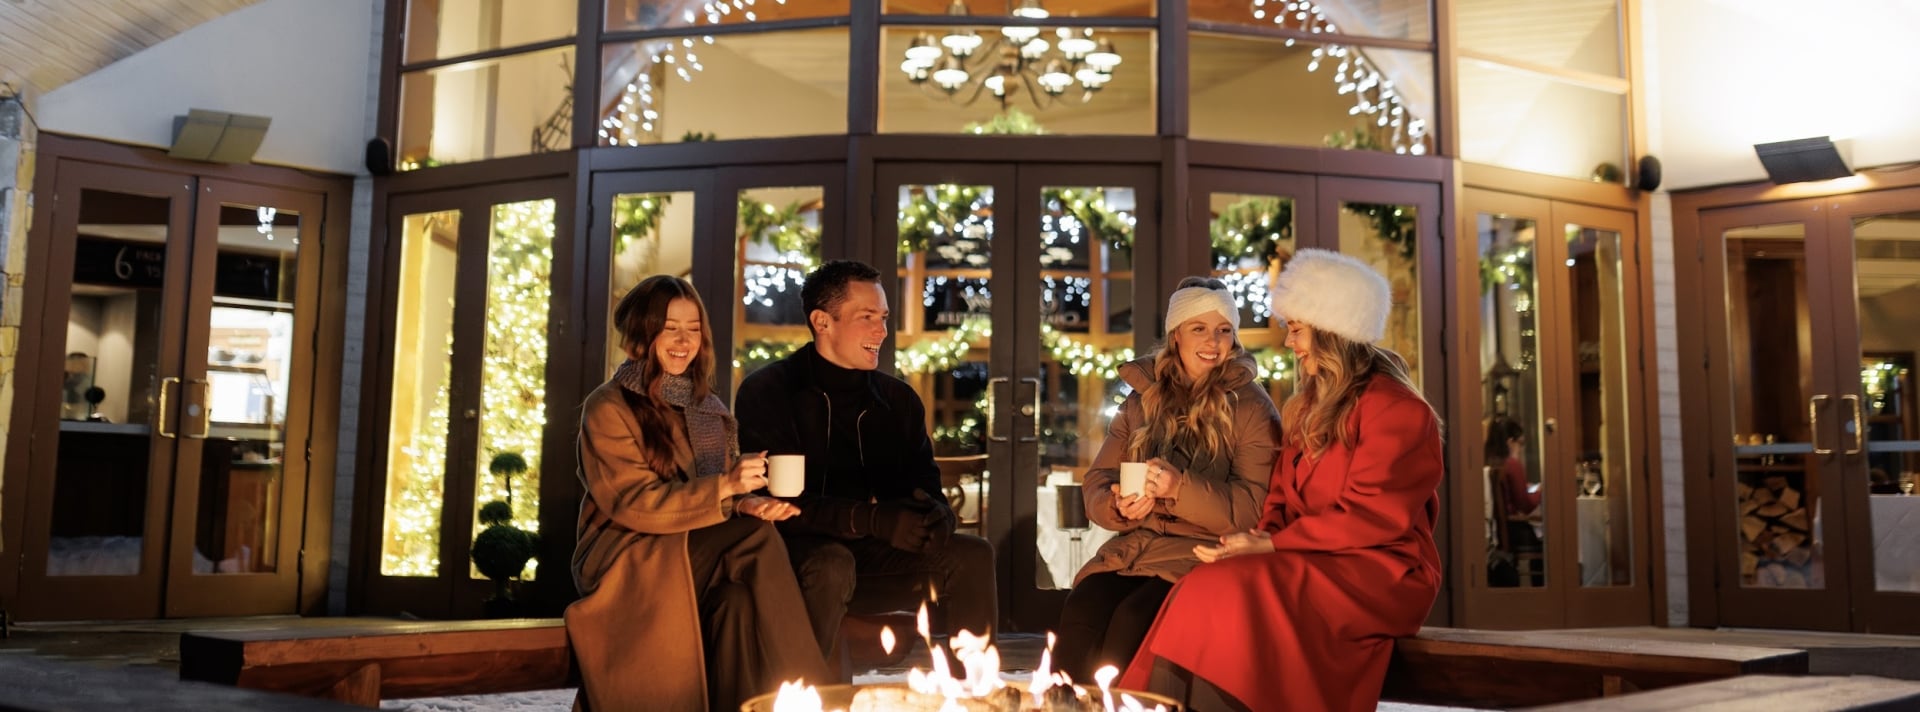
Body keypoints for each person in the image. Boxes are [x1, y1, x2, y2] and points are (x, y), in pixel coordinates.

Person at [1120, 249, 1445, 712]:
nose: (1289, 342)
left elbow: (1373, 517)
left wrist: (1273, 545)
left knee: (1235, 591)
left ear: (1332, 331)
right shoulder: (1307, 408)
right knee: (1204, 583)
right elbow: (1279, 500)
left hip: (1378, 570)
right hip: (1305, 556)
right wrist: (1253, 541)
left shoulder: (1399, 411)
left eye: (1296, 328)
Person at [567, 275, 829, 712]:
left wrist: (745, 502)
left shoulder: (708, 408)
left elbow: (711, 497)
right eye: (670, 328)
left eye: (693, 328)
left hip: (691, 546)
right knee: (756, 538)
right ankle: (815, 697)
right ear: (642, 333)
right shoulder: (608, 406)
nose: (684, 341)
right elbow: (633, 503)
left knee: (735, 603)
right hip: (627, 554)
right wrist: (726, 487)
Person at [735, 259, 997, 674]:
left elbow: (927, 487)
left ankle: (975, 687)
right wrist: (873, 520)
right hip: (791, 553)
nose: (882, 330)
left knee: (973, 555)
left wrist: (936, 518)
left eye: (884, 317)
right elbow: (777, 505)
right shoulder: (770, 391)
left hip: (872, 553)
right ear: (822, 321)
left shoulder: (898, 401)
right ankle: (810, 693)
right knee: (832, 564)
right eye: (867, 317)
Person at [1052, 276, 1280, 682]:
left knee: (1132, 621)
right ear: (1176, 335)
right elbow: (1099, 480)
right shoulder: (1143, 398)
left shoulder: (1251, 407)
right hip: (1138, 547)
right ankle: (1064, 705)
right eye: (1199, 328)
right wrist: (1117, 505)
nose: (1213, 342)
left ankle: (1126, 706)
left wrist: (1179, 489)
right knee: (1084, 607)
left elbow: (1253, 510)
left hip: (1208, 554)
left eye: (1224, 330)